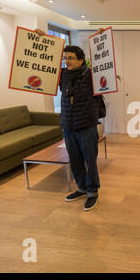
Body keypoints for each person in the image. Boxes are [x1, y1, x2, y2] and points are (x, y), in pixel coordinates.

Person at [35, 29, 102, 211]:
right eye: (66, 58)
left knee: (90, 160)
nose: (67, 61)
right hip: (68, 127)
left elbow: (103, 63)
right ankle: (81, 188)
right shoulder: (63, 76)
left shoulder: (90, 76)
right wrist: (43, 40)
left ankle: (92, 192)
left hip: (86, 126)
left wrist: (101, 40)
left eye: (71, 58)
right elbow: (46, 62)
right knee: (74, 160)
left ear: (81, 60)